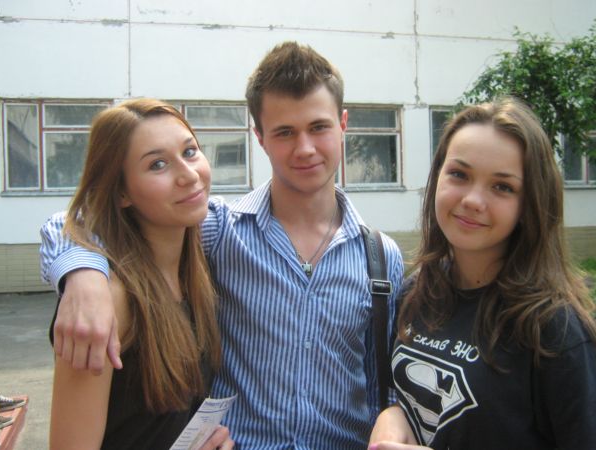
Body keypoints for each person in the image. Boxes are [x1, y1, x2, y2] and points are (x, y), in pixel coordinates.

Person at [40, 42, 405, 449]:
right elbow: (76, 221)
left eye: (318, 127)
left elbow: (384, 386)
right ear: (260, 137)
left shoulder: (380, 259)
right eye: (285, 132)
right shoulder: (221, 231)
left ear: (343, 124)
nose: (304, 148)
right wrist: (83, 274)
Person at [368, 98, 596, 450]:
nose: (473, 200)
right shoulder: (416, 292)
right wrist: (394, 413)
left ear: (530, 203)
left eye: (502, 186)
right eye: (459, 174)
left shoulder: (555, 330)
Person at [47, 99, 233, 449]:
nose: (189, 175)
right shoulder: (108, 302)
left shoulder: (197, 273)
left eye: (190, 152)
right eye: (157, 164)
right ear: (121, 192)